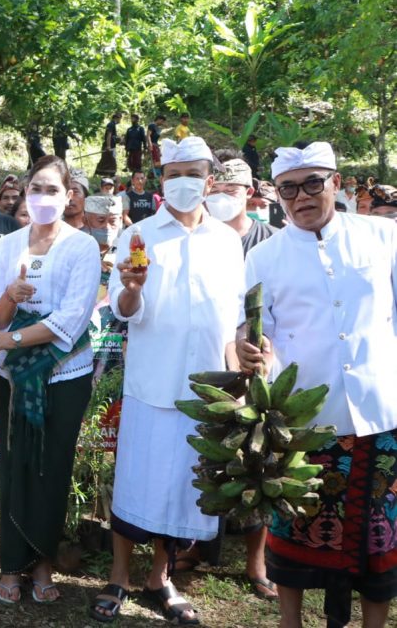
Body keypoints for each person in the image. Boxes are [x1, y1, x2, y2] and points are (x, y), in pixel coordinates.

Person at [236, 142, 397, 628]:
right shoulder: (264, 257)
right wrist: (247, 347)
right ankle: (290, 622)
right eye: (289, 188)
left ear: (337, 182)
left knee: (379, 533)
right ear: (278, 196)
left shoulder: (383, 236)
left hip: (379, 409)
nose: (301, 196)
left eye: (312, 183)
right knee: (295, 526)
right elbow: (251, 326)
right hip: (304, 416)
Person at [91, 136, 244, 625]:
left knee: (183, 487)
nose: (183, 182)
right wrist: (133, 290)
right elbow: (123, 309)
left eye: (193, 173)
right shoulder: (139, 235)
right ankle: (118, 575)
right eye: (174, 173)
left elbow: (233, 316)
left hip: (207, 388)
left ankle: (161, 576)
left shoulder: (225, 240)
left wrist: (237, 378)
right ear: (161, 180)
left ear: (210, 180)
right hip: (152, 384)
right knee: (137, 481)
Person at [0, 156, 100, 604]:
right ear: (25, 194)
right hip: (12, 375)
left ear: (69, 196)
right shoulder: (7, 245)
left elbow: (71, 319)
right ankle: (11, 564)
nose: (43, 198)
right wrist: (9, 295)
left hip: (62, 374)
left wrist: (12, 338)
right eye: (35, 189)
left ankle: (42, 564)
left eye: (52, 190)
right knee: (14, 463)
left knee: (50, 466)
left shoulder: (82, 247)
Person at [170, 157, 276, 600]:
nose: (224, 196)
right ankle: (195, 545)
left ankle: (257, 563)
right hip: (206, 363)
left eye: (235, 188)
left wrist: (257, 355)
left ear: (248, 193)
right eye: (221, 187)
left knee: (255, 460)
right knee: (206, 457)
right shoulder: (200, 234)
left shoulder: (267, 239)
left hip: (254, 363)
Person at [96, 113, 121, 178]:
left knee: (108, 161)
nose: (120, 121)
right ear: (117, 118)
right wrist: (108, 146)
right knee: (109, 161)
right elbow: (109, 135)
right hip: (109, 147)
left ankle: (108, 175)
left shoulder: (112, 125)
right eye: (120, 119)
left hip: (112, 146)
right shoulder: (111, 124)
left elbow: (112, 136)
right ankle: (107, 175)